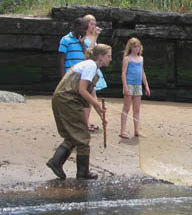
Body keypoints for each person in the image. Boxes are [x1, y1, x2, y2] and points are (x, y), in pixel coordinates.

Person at [46, 44, 112, 180]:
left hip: (64, 99)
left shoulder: (93, 68)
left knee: (73, 135)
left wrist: (101, 114)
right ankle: (83, 173)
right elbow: (82, 90)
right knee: (82, 136)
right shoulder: (91, 66)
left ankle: (56, 162)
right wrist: (97, 105)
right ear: (100, 56)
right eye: (108, 56)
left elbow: (92, 95)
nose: (110, 59)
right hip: (67, 100)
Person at [119, 37, 150, 139]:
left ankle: (136, 130)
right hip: (129, 84)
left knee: (137, 109)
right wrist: (125, 86)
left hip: (138, 85)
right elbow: (123, 73)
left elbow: (142, 72)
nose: (136, 48)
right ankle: (122, 130)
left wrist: (146, 85)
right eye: (134, 47)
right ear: (130, 48)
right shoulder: (127, 59)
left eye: (138, 46)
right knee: (126, 108)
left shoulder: (141, 59)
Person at [82, 14, 106, 132]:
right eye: (91, 24)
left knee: (92, 97)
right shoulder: (85, 37)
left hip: (94, 69)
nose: (93, 26)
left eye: (94, 24)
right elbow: (90, 52)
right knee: (91, 96)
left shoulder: (93, 37)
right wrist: (95, 37)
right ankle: (87, 122)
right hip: (88, 69)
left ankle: (87, 120)